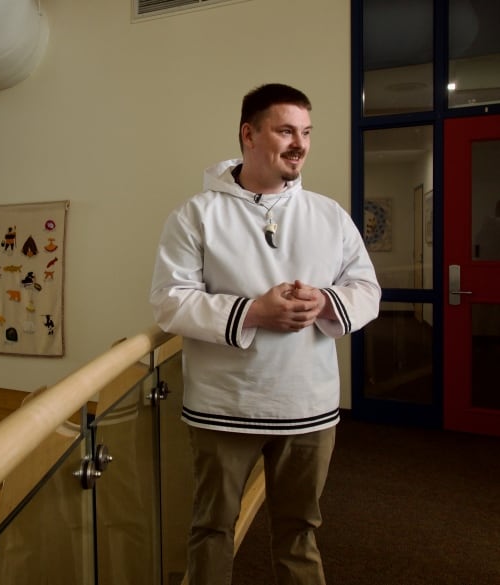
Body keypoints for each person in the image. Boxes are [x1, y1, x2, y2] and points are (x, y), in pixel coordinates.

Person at [149, 83, 381, 585]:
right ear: (248, 134)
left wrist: (325, 302)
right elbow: (169, 301)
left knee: (300, 529)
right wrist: (252, 312)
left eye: (305, 132)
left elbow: (367, 287)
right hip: (223, 406)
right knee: (211, 528)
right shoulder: (196, 215)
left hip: (308, 405)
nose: (299, 143)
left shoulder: (329, 215)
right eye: (285, 130)